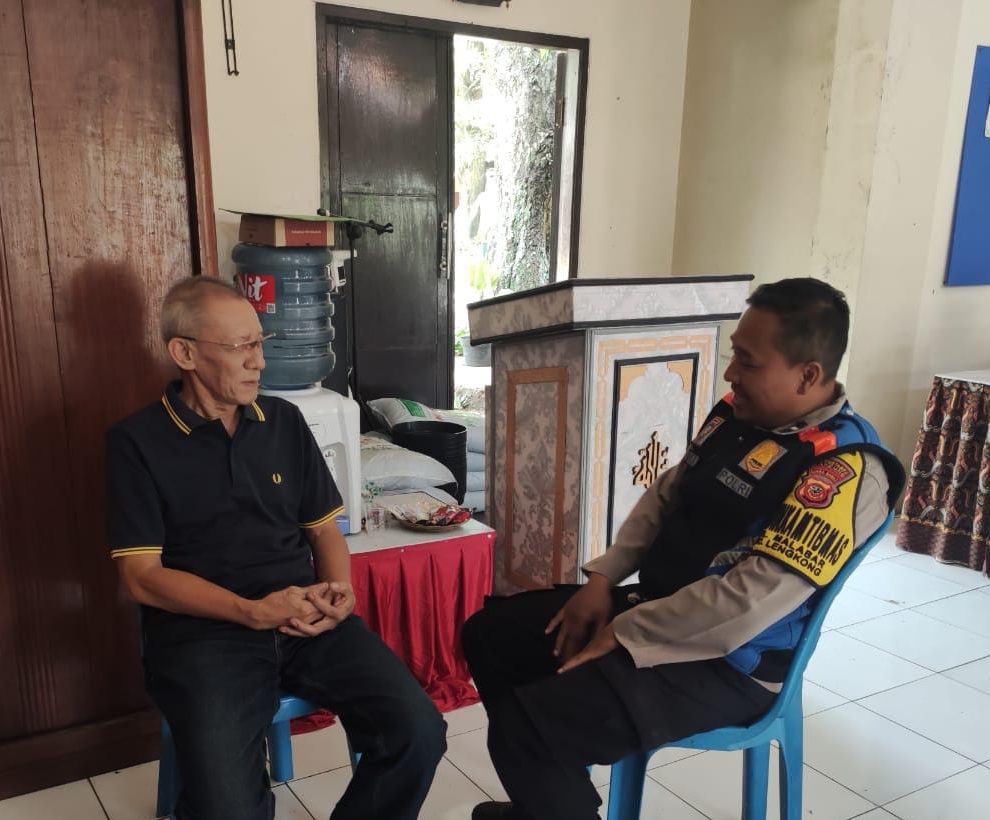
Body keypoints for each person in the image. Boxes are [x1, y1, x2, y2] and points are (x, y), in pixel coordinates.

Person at [463, 278, 905, 820]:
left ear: (807, 375)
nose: (730, 373)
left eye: (748, 362)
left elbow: (743, 607)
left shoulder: (844, 470)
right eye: (734, 355)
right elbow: (667, 494)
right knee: (492, 636)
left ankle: (548, 797)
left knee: (528, 730)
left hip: (729, 663)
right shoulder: (736, 417)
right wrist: (603, 579)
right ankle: (548, 805)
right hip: (661, 611)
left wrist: (625, 630)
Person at [105, 276, 445, 820]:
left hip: (304, 616)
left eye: (259, 343)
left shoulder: (282, 421)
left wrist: (339, 591)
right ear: (184, 353)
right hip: (205, 635)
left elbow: (324, 531)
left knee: (418, 729)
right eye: (240, 346)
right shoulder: (136, 442)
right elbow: (141, 577)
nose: (258, 361)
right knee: (228, 808)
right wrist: (250, 611)